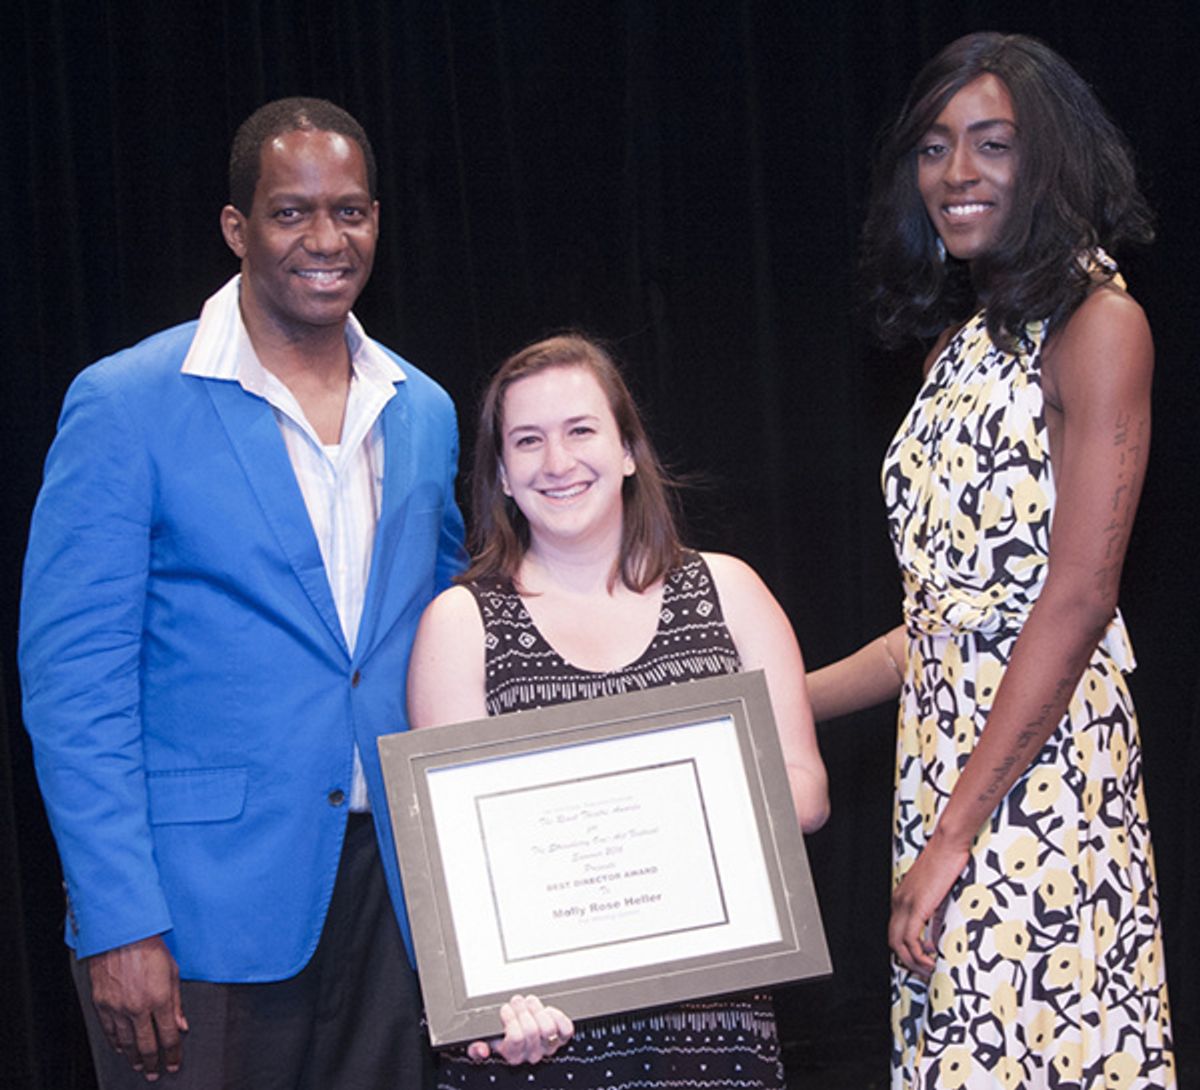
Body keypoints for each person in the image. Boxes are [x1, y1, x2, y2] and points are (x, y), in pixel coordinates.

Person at [19, 98, 465, 1088]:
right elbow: (73, 685)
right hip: (196, 912)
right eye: (290, 212)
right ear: (237, 228)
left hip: (394, 896)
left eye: (349, 211)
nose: (324, 238)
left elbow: (451, 637)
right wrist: (119, 917)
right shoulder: (125, 403)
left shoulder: (423, 409)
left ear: (379, 221)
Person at [806, 32, 1176, 1089]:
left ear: (1049, 161)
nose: (955, 173)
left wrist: (957, 835)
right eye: (933, 147)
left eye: (991, 144)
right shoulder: (956, 348)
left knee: (1034, 1051)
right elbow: (934, 625)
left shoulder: (1102, 326)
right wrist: (768, 698)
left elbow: (1079, 594)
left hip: (1041, 774)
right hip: (947, 763)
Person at [407, 332, 829, 1089]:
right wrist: (495, 1014)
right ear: (501, 474)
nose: (557, 462)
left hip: (712, 1022)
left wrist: (661, 808)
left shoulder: (729, 593)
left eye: (581, 431)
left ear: (629, 449)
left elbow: (806, 794)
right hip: (543, 1035)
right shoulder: (461, 624)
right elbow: (452, 876)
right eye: (527, 441)